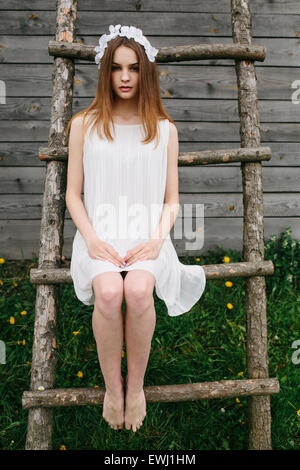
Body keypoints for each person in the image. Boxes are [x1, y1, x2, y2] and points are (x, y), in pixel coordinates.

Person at [66, 25, 206, 433]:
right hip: (100, 233)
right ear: (105, 73)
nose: (125, 77)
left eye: (133, 68)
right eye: (116, 68)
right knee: (109, 292)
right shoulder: (84, 125)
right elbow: (74, 195)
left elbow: (171, 200)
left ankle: (137, 388)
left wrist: (158, 240)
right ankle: (114, 390)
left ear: (146, 73)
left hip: (148, 234)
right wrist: (92, 239)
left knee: (138, 290)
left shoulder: (164, 129)